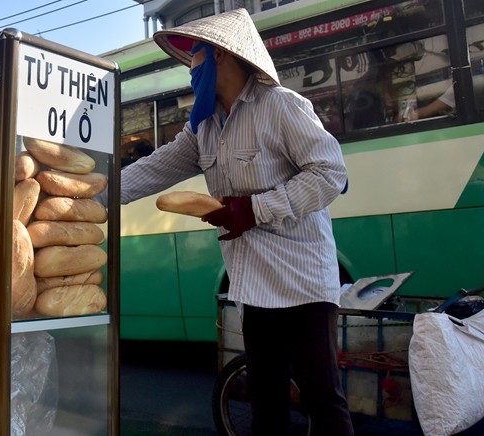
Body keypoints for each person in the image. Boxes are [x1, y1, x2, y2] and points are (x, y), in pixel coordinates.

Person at [119, 9, 353, 435]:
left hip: (303, 282)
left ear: (221, 56)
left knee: (322, 398)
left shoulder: (281, 106)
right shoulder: (203, 129)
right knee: (266, 400)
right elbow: (151, 171)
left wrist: (252, 210)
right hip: (254, 284)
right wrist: (84, 192)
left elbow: (330, 174)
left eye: (195, 57)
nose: (189, 71)